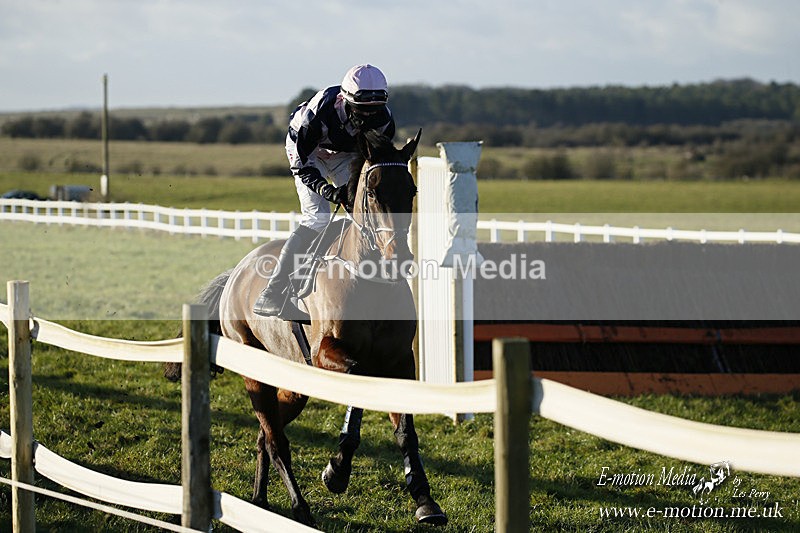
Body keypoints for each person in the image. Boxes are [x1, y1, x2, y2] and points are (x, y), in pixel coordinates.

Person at [253, 64, 396, 319]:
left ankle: (372, 280)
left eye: (373, 111)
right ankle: (272, 293)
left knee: (362, 212)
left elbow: (376, 166)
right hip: (308, 153)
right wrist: (329, 192)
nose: (368, 117)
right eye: (361, 111)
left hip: (345, 155)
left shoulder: (384, 120)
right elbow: (302, 166)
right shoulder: (317, 115)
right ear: (345, 99)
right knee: (317, 218)